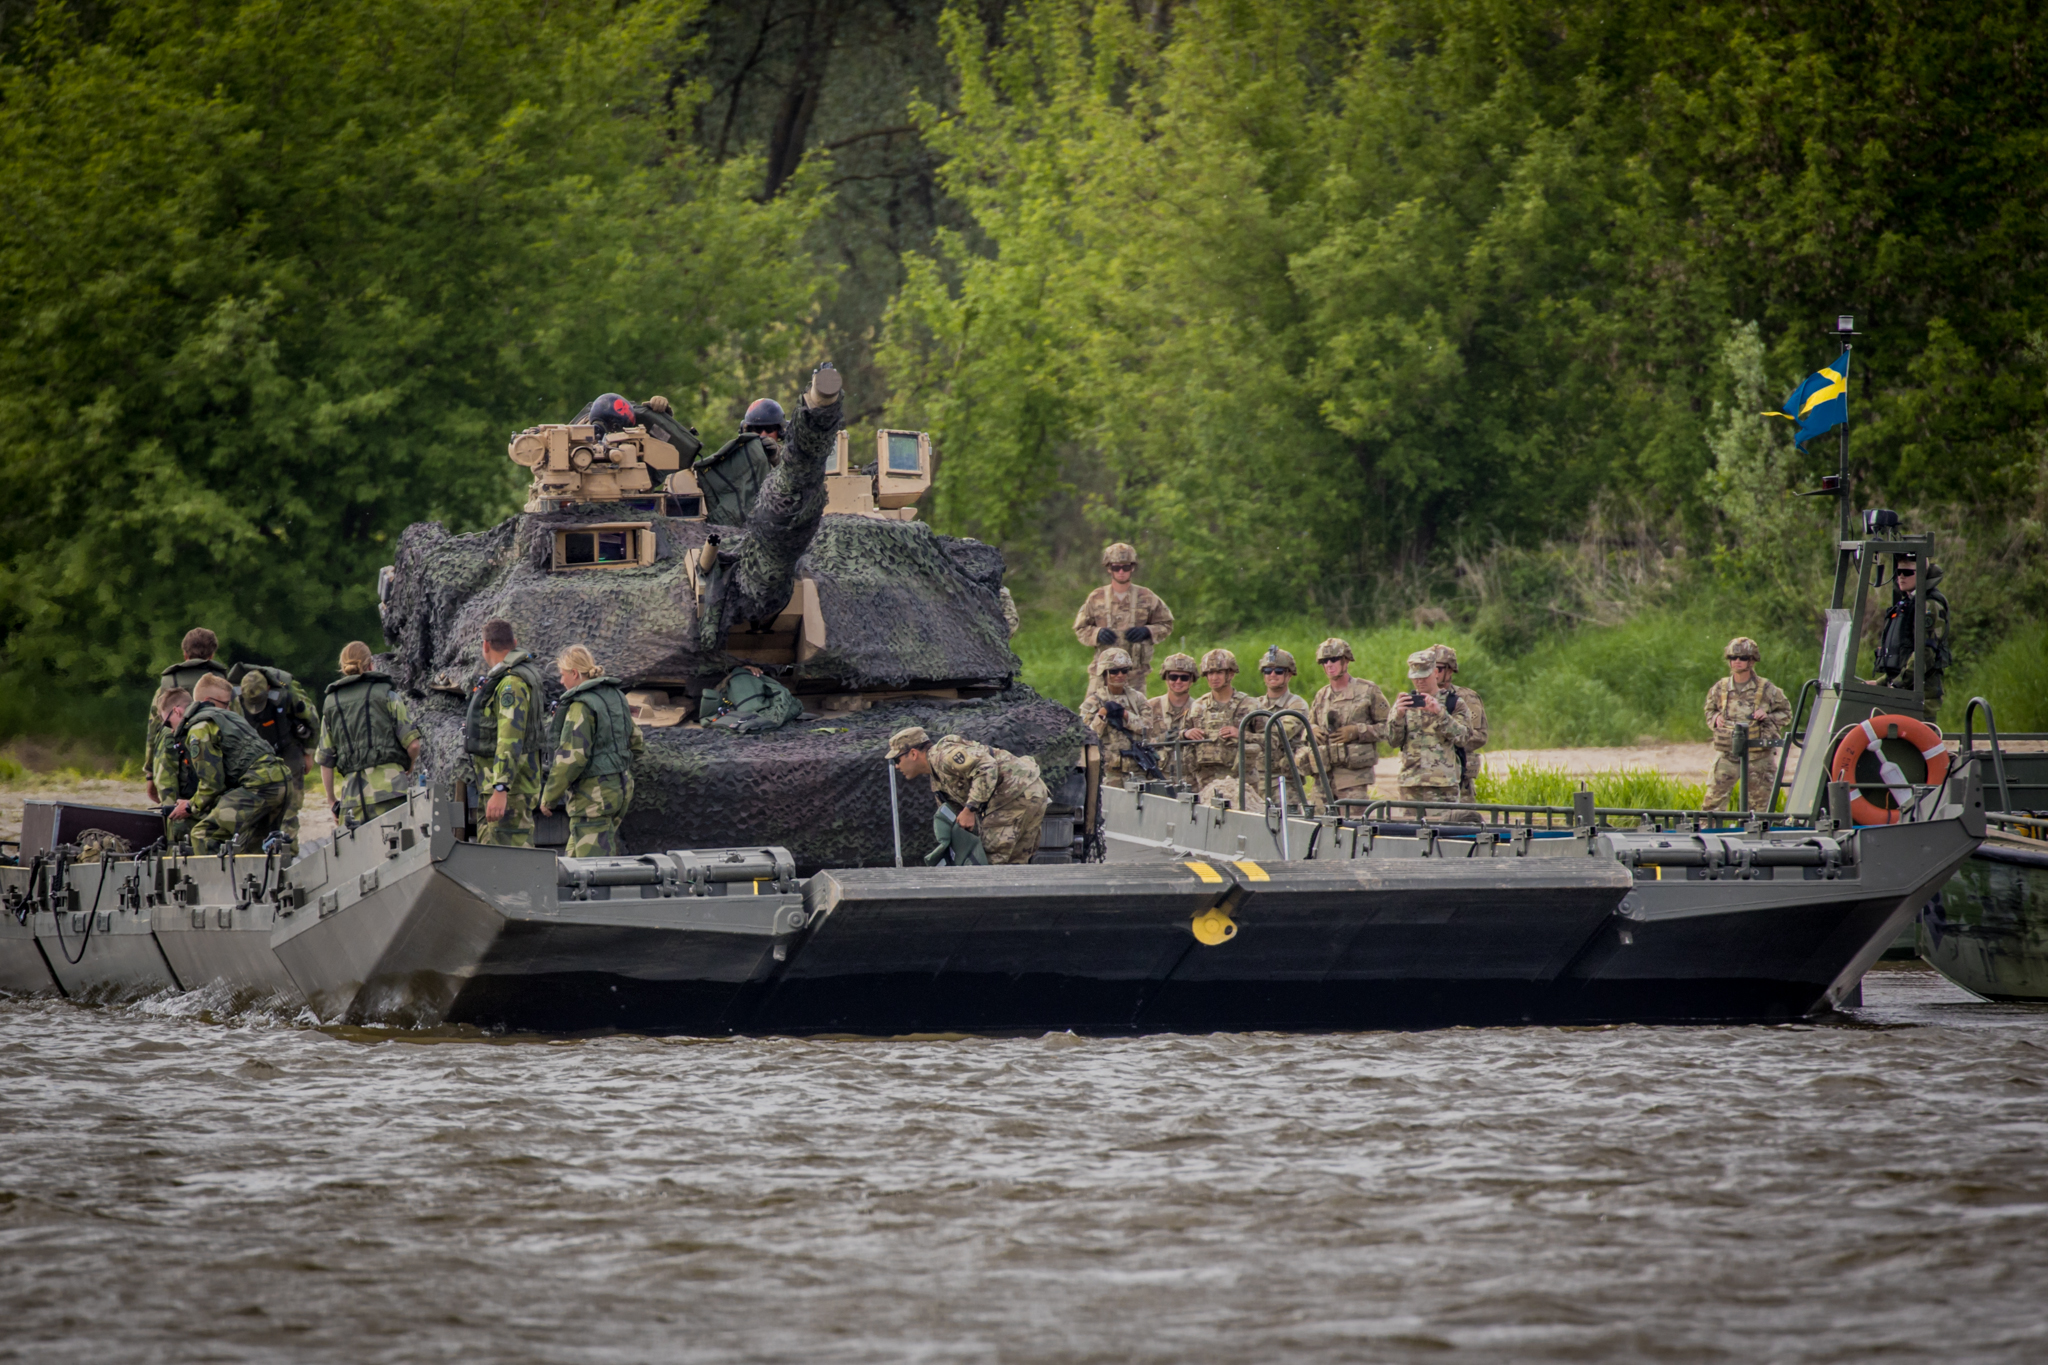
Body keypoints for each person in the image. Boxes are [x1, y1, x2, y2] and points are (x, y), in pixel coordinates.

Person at [164, 674, 292, 854]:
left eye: (167, 723)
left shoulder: (200, 728)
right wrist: (195, 802)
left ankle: (211, 882)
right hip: (282, 780)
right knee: (255, 849)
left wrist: (189, 806)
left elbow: (212, 784)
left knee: (203, 834)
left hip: (258, 786)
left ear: (177, 712)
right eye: (225, 703)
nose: (169, 729)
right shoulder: (232, 719)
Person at [887, 726, 1051, 865]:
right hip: (1029, 791)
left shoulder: (944, 756)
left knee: (988, 863)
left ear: (913, 754)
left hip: (1014, 795)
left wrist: (970, 809)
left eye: (897, 760)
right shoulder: (937, 779)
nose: (896, 766)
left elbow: (986, 766)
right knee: (1015, 864)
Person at [539, 645, 645, 857]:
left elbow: (572, 759)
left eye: (562, 675)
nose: (561, 682)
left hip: (593, 798)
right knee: (573, 860)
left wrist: (549, 796)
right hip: (621, 788)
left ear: (575, 674)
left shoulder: (581, 706)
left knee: (591, 871)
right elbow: (637, 742)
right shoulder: (616, 697)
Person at [318, 641, 422, 829]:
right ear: (371, 665)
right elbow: (413, 745)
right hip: (392, 791)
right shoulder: (388, 696)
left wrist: (332, 800)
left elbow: (325, 760)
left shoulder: (331, 704)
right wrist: (410, 765)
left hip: (352, 798)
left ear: (342, 668)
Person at [465, 619, 546, 846]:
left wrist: (501, 788)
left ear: (486, 646)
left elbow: (509, 739)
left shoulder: (511, 683)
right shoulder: (510, 678)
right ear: (515, 643)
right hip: (501, 786)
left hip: (510, 790)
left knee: (510, 861)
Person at [233, 666, 318, 858]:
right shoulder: (234, 698)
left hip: (288, 749)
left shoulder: (288, 694)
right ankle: (256, 856)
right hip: (255, 754)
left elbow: (312, 720)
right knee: (255, 809)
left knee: (290, 808)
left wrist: (309, 753)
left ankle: (289, 855)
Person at [1702, 636, 1792, 813]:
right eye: (1732, 658)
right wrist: (1715, 718)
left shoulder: (1767, 689)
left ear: (1752, 660)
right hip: (1728, 753)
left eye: (1742, 658)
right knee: (1713, 802)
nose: (1737, 662)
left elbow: (1786, 713)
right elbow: (1709, 710)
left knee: (1760, 808)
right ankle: (1709, 836)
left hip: (1758, 757)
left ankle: (1757, 838)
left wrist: (1767, 716)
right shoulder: (1720, 687)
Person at [1071, 543, 1174, 696]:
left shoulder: (1146, 597)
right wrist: (1097, 633)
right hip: (1102, 675)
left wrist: (1147, 631)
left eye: (1125, 567)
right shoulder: (1096, 597)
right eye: (1116, 567)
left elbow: (1166, 624)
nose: (1121, 572)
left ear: (1132, 568)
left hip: (1134, 675)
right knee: (1091, 717)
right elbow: (1080, 627)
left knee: (1137, 717)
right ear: (1108, 568)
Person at [1385, 648, 1474, 823]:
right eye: (1415, 676)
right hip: (1411, 784)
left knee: (1444, 833)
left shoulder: (1454, 703)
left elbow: (1463, 738)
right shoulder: (1404, 704)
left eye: (1424, 675)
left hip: (1442, 785)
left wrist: (1440, 713)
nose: (1419, 681)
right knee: (1410, 835)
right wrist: (1398, 716)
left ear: (1435, 672)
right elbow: (1392, 741)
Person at [145, 628, 229, 802]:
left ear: (185, 654)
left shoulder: (167, 685)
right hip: (213, 753)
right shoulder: (223, 686)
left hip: (172, 755)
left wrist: (150, 773)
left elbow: (154, 729)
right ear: (212, 655)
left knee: (173, 812)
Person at [1303, 637, 1390, 807]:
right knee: (1319, 827)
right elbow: (1309, 725)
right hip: (1323, 778)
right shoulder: (1322, 695)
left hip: (1353, 778)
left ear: (1346, 661)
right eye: (1324, 661)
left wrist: (1358, 731)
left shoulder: (1367, 690)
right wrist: (1311, 730)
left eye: (1334, 659)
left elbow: (1389, 728)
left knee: (1353, 827)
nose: (1329, 664)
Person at [1873, 553, 1952, 723]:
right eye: (1899, 571)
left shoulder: (1929, 606)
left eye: (1908, 572)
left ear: (1922, 573)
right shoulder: (1909, 603)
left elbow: (1924, 654)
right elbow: (1904, 655)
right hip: (1904, 694)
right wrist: (1881, 683)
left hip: (1920, 698)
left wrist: (1896, 684)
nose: (1901, 576)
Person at [692, 398, 785, 525]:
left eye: (769, 429)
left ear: (780, 431)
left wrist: (776, 460)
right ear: (746, 431)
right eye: (757, 429)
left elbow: (799, 485)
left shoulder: (790, 458)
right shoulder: (736, 459)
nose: (763, 434)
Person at [1181, 648, 1258, 799]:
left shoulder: (1250, 706)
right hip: (1204, 783)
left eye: (1219, 672)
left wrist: (1242, 734)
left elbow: (1271, 741)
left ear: (1230, 674)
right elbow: (1181, 742)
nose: (1213, 677)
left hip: (1241, 783)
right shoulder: (1197, 706)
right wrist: (1185, 733)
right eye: (1210, 673)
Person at [1243, 646, 1312, 803]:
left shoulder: (1296, 704)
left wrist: (1246, 735)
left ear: (1289, 675)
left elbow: (1279, 733)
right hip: (1256, 776)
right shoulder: (1254, 704)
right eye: (1267, 671)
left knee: (1288, 823)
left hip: (1284, 780)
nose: (1272, 674)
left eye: (1278, 671)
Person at [1080, 649, 1157, 783]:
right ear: (1104, 673)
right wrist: (1101, 715)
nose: (1119, 675)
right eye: (1114, 671)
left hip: (1137, 770)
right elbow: (1086, 736)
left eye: (1124, 670)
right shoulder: (1093, 702)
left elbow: (1148, 729)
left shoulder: (1138, 699)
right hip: (1107, 773)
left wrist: (1126, 715)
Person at [1431, 645, 1488, 804]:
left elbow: (1479, 736)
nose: (1433, 673)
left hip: (1458, 775)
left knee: (1462, 823)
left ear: (1450, 671)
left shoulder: (1465, 698)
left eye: (1438, 668)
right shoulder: (1419, 698)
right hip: (1426, 776)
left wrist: (1448, 736)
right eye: (1428, 668)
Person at [1145, 653, 1201, 784]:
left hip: (1190, 779)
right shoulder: (1150, 707)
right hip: (1156, 778)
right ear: (1166, 678)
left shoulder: (1199, 708)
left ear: (1192, 680)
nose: (1178, 682)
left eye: (1184, 678)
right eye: (1173, 677)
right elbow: (1140, 741)